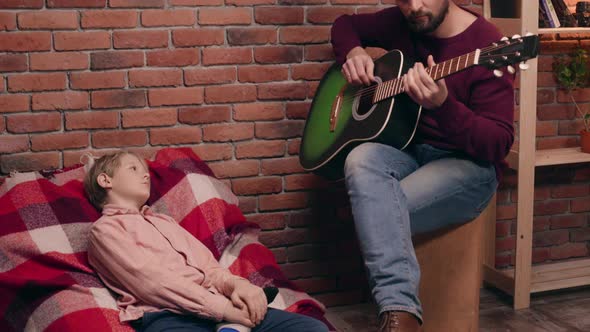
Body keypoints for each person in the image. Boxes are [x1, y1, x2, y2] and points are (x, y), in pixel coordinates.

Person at [331, 1, 515, 331]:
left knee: (379, 207)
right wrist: (354, 52)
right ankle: (403, 314)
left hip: (469, 167)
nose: (415, 6)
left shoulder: (488, 43)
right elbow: (344, 24)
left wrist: (443, 106)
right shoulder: (406, 21)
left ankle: (399, 316)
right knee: (360, 160)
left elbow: (497, 144)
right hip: (412, 153)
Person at [84, 151, 328, 332]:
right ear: (106, 181)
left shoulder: (164, 222)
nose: (145, 174)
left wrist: (237, 286)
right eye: (133, 169)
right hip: (169, 316)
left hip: (221, 306)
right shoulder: (105, 231)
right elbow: (154, 285)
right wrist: (222, 310)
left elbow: (209, 268)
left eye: (144, 169)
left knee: (314, 329)